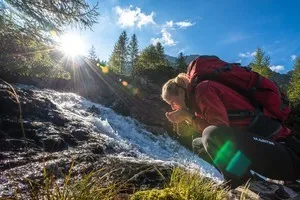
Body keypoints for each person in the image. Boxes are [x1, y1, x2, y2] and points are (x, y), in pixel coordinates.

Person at [161, 73, 300, 189]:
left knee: (212, 135)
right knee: (199, 143)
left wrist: (187, 116)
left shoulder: (204, 89)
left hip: (289, 154)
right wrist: (188, 117)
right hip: (272, 155)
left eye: (172, 102)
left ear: (180, 92)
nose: (173, 107)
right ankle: (249, 180)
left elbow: (218, 129)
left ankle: (239, 182)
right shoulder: (197, 103)